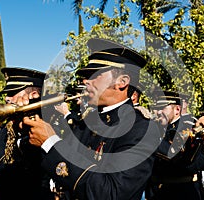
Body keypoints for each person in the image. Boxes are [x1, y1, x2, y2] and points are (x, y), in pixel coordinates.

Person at [22, 38, 160, 200]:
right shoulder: (86, 122)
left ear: (122, 82)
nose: (86, 81)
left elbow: (111, 193)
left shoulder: (140, 129)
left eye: (94, 75)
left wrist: (51, 143)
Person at [0, 67, 55, 200]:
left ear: (33, 95)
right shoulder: (9, 127)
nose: (6, 98)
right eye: (7, 93)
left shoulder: (42, 128)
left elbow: (16, 175)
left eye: (13, 92)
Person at [146, 90, 201, 200]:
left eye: (163, 108)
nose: (158, 112)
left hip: (179, 191)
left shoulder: (186, 128)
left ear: (177, 110)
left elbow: (175, 155)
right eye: (156, 108)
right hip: (156, 190)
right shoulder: (157, 127)